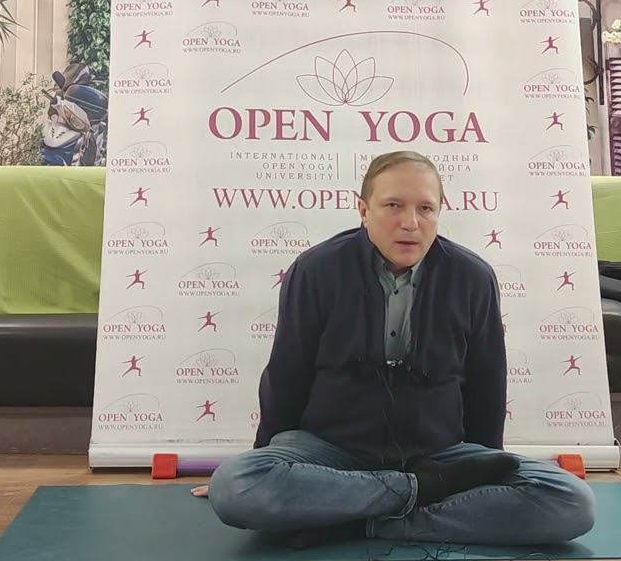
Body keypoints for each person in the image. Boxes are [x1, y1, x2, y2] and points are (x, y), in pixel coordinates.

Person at [195, 151, 596, 548]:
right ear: (363, 210)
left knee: (571, 501)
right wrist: (263, 464)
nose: (410, 222)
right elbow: (286, 375)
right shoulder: (315, 270)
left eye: (426, 208)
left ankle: (356, 522)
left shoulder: (473, 278)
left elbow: (487, 383)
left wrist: (484, 469)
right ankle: (414, 496)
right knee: (234, 486)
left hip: (438, 457)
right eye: (393, 206)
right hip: (331, 455)